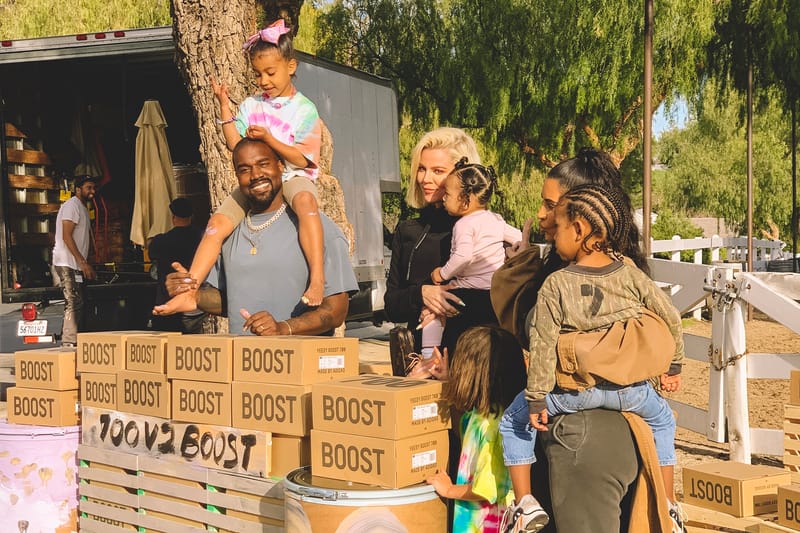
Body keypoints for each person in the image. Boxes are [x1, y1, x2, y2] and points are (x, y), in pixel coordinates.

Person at [487, 147, 676, 533]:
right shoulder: (624, 273)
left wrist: (565, 355)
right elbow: (667, 326)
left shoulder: (560, 282)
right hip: (624, 414)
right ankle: (670, 503)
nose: (542, 215)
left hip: (583, 432)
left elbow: (533, 334)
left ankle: (524, 504)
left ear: (581, 221)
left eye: (551, 206)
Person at [159, 18, 325, 317]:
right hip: (257, 180)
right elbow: (235, 144)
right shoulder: (251, 105)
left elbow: (302, 159)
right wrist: (224, 106)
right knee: (216, 223)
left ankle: (317, 278)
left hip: (291, 175)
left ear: (291, 66)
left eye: (270, 72)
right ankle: (189, 289)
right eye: (258, 74)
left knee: (306, 203)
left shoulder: (305, 109)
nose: (264, 81)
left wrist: (270, 140)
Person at [154, 137, 357, 336]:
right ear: (237, 176)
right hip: (244, 356)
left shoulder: (318, 230)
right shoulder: (229, 232)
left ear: (280, 166)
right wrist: (193, 295)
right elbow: (231, 300)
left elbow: (336, 311)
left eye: (263, 164)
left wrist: (283, 328)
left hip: (299, 357)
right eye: (244, 169)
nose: (256, 175)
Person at [384, 127, 482, 354]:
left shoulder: (484, 228)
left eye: (438, 171)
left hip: (471, 357)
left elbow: (497, 302)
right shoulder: (408, 230)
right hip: (419, 360)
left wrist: (446, 303)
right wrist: (421, 294)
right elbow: (391, 306)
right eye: (421, 169)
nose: (425, 179)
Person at [425, 326, 526, 533]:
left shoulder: (492, 426)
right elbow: (463, 431)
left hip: (485, 526)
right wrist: (446, 382)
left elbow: (486, 489)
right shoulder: (485, 415)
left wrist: (448, 489)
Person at [418, 159, 521, 360]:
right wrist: (513, 253)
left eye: (448, 194)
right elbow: (517, 237)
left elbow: (463, 257)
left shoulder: (464, 224)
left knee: (433, 308)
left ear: (465, 200)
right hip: (495, 294)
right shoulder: (496, 219)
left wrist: (441, 274)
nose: (444, 198)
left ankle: (429, 356)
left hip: (469, 292)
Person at [148, 197, 205, 333]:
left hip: (168, 302)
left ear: (173, 217)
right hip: (197, 305)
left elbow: (151, 252)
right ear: (191, 216)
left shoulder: (161, 241)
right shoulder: (203, 238)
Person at [52, 175, 97, 347]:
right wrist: (82, 262)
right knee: (73, 301)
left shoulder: (82, 207)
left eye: (93, 187)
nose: (92, 191)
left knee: (79, 302)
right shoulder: (72, 206)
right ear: (78, 189)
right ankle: (69, 342)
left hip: (75, 263)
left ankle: (75, 339)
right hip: (67, 262)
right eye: (88, 187)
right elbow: (66, 235)